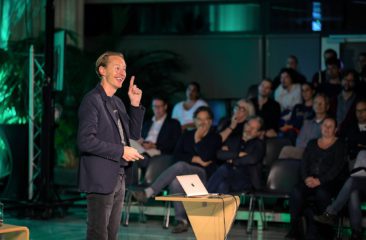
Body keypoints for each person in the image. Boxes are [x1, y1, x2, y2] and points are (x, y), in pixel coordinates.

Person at [77, 51, 145, 240]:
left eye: (124, 68)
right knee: (98, 233)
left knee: (111, 234)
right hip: (100, 176)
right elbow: (85, 141)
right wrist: (121, 150)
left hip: (119, 175)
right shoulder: (92, 100)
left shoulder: (118, 102)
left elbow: (133, 134)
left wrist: (135, 104)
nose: (122, 72)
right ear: (102, 70)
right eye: (117, 67)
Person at [132, 106, 222, 233]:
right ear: (195, 121)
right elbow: (177, 155)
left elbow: (207, 156)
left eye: (206, 119)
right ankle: (182, 221)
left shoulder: (215, 137)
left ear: (211, 121)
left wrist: (198, 139)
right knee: (175, 181)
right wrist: (195, 159)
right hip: (186, 177)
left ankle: (149, 192)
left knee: (181, 165)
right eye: (199, 119)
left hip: (203, 176)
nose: (202, 123)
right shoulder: (186, 135)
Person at [286, 117, 347, 240]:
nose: (327, 128)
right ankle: (295, 229)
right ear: (321, 127)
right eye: (325, 125)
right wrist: (306, 178)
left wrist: (320, 181)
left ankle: (325, 231)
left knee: (322, 193)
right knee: (296, 191)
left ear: (336, 129)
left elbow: (337, 168)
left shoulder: (340, 144)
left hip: (329, 182)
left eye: (331, 126)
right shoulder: (312, 143)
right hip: (309, 180)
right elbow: (304, 164)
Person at [314, 151, 366, 240]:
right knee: (353, 191)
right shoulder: (363, 153)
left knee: (352, 183)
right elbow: (357, 172)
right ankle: (356, 233)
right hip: (362, 185)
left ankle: (330, 213)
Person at [207, 116, 265, 193]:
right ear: (245, 125)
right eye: (248, 125)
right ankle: (210, 203)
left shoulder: (258, 144)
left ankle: (202, 197)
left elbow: (252, 159)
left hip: (247, 180)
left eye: (254, 128)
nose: (249, 129)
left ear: (258, 133)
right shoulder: (233, 139)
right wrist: (238, 154)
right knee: (223, 184)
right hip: (230, 177)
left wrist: (232, 159)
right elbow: (219, 154)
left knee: (224, 168)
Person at [130, 96, 181, 167]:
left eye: (159, 106)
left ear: (165, 107)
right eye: (155, 106)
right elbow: (141, 137)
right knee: (129, 142)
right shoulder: (147, 122)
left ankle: (138, 158)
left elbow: (175, 144)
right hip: (142, 147)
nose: (157, 109)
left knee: (134, 156)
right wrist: (140, 140)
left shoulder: (173, 123)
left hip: (157, 150)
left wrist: (154, 145)